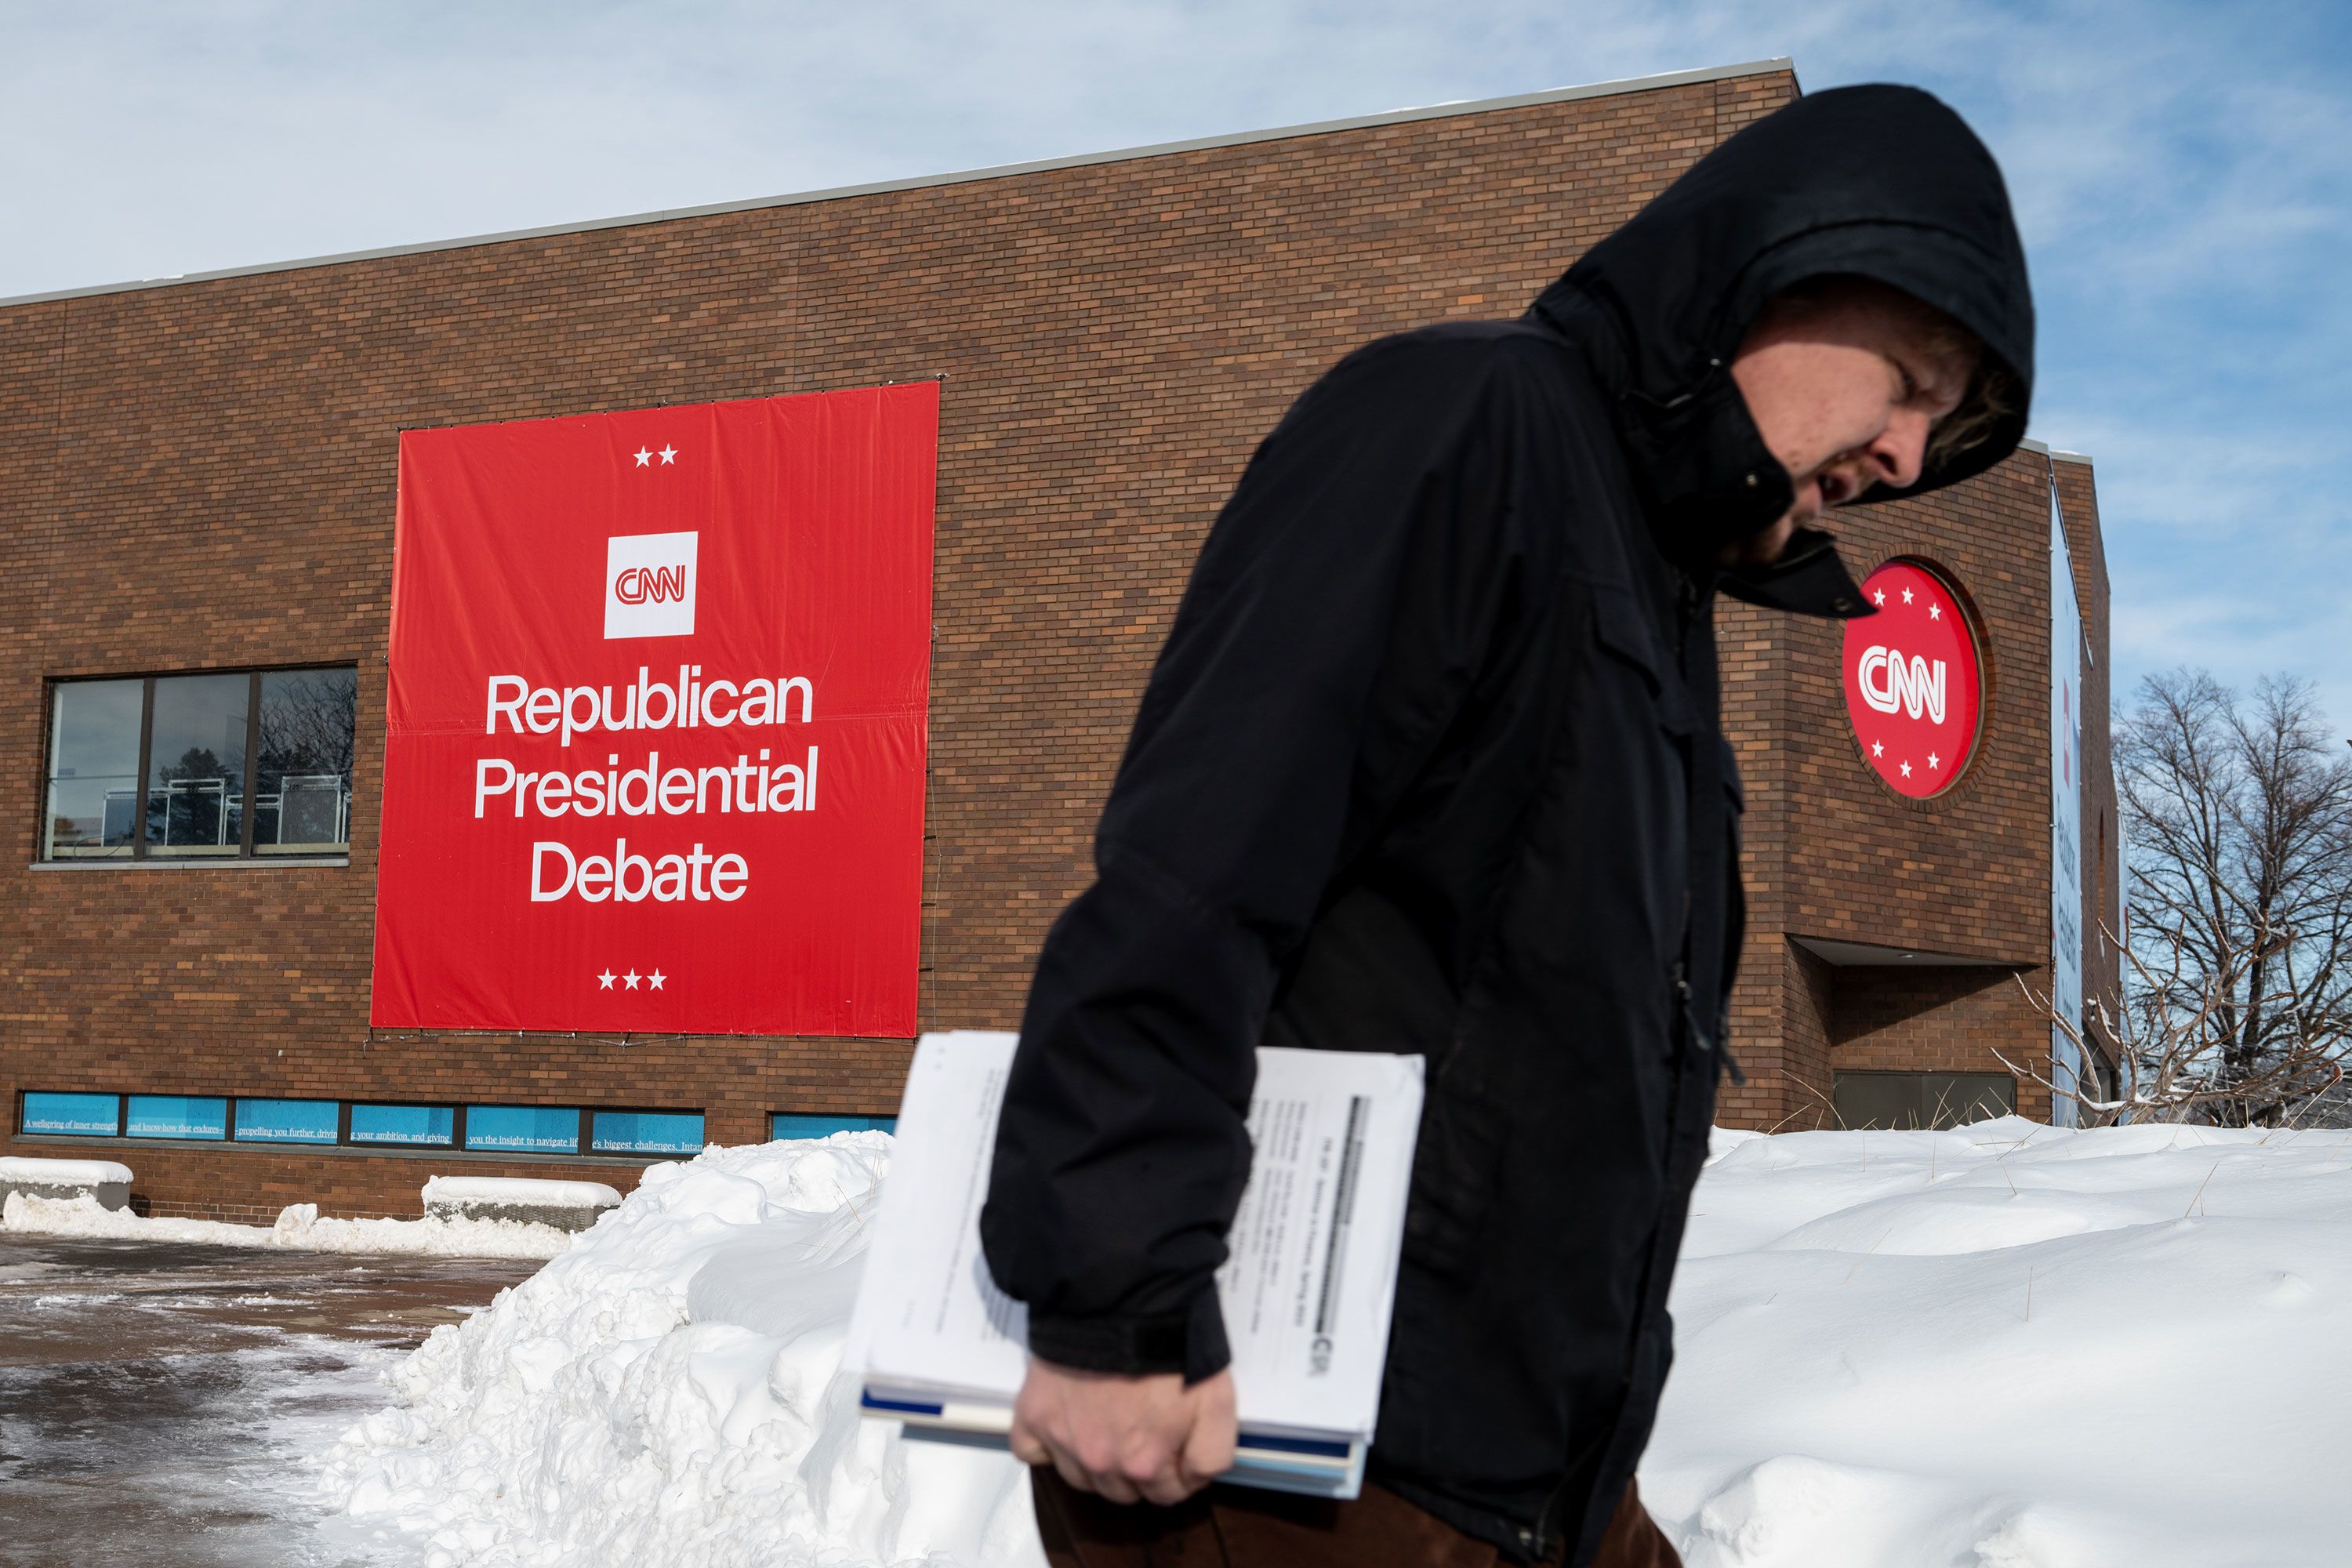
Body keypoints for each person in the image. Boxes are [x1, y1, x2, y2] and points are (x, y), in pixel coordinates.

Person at [978, 83, 2034, 1566]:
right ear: (1781, 265)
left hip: (1526, 1478)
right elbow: (1201, 866)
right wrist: (1109, 1302)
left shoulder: (1650, 583)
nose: (1909, 460)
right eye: (1912, 381)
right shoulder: (1467, 423)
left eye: (1942, 424)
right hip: (1302, 1473)